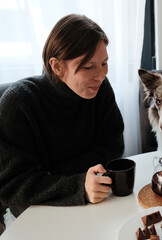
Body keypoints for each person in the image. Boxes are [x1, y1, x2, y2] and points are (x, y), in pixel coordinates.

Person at [0, 14, 124, 226]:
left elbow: (112, 147)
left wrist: (51, 174)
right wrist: (78, 185)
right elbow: (13, 186)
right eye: (88, 66)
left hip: (93, 205)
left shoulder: (100, 90)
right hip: (34, 215)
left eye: (104, 63)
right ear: (57, 66)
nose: (100, 75)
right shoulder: (18, 103)